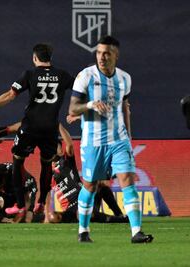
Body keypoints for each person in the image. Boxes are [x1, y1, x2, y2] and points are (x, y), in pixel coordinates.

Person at [0, 44, 74, 222]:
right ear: (50, 58)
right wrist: (76, 112)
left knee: (17, 160)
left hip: (30, 127)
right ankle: (40, 203)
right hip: (50, 128)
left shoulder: (29, 74)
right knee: (47, 164)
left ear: (34, 58)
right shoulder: (62, 75)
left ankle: (21, 205)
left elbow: (9, 95)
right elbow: (81, 87)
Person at [68, 35, 153, 243]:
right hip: (93, 142)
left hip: (119, 140)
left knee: (127, 180)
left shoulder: (125, 79)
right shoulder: (85, 76)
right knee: (90, 186)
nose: (101, 57)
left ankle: (136, 232)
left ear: (116, 55)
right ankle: (83, 231)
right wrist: (90, 105)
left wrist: (129, 137)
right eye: (98, 53)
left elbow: (124, 107)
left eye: (106, 53)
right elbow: (72, 108)